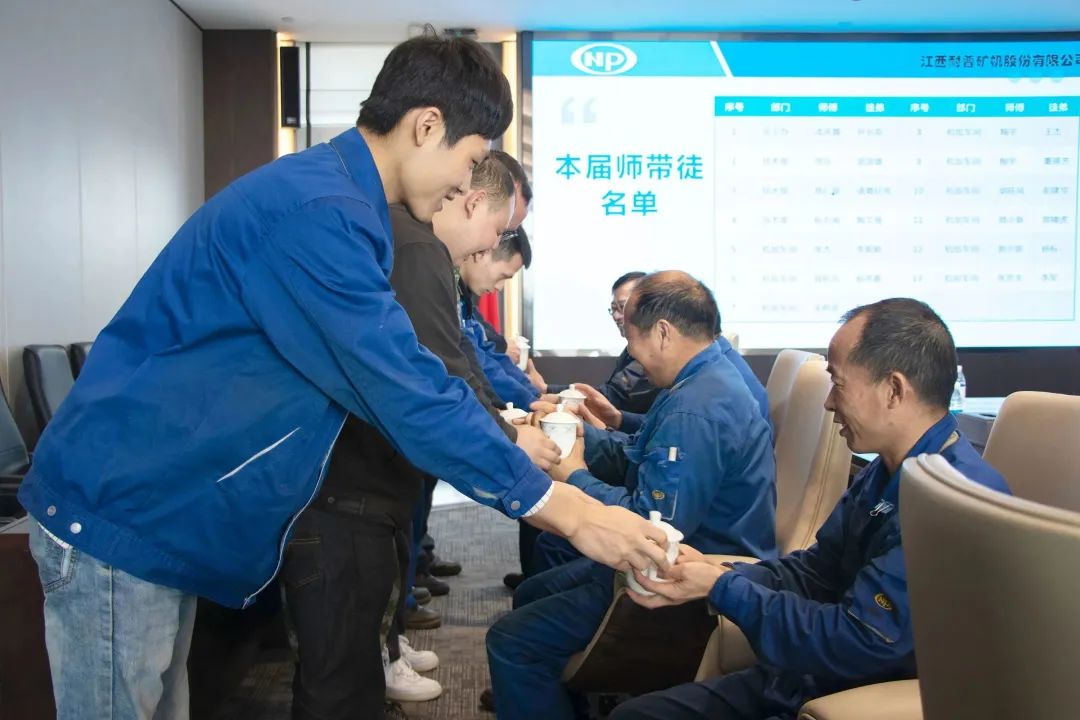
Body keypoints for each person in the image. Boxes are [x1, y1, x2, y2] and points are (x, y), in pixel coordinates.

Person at [19, 33, 669, 720]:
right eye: (472, 159)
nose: (465, 185)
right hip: (124, 508)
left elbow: (413, 377)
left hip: (157, 510)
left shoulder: (343, 205)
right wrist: (568, 511)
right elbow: (407, 389)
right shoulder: (317, 214)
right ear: (427, 126)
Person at [612, 298, 1011, 720]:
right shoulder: (887, 472)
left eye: (838, 383)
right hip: (805, 678)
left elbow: (859, 641)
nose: (829, 403)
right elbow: (816, 573)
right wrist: (719, 573)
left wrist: (723, 588)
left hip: (855, 695)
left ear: (894, 390)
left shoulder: (947, 500)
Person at [282, 156, 525, 718]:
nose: (494, 246)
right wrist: (512, 456)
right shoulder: (416, 249)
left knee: (349, 666)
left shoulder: (407, 241)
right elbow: (441, 375)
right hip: (344, 497)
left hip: (359, 490)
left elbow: (454, 361)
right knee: (338, 677)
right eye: (499, 229)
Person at [484, 271, 777, 720]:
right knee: (533, 592)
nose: (632, 354)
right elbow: (641, 457)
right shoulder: (702, 377)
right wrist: (581, 435)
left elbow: (653, 524)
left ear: (663, 332)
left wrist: (574, 474)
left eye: (631, 339)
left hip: (682, 577)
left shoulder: (696, 407)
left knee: (509, 641)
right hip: (677, 557)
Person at [533, 271, 662, 414]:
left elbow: (611, 396)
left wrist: (547, 392)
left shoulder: (652, 352)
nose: (616, 316)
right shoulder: (630, 349)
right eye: (614, 309)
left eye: (623, 307)